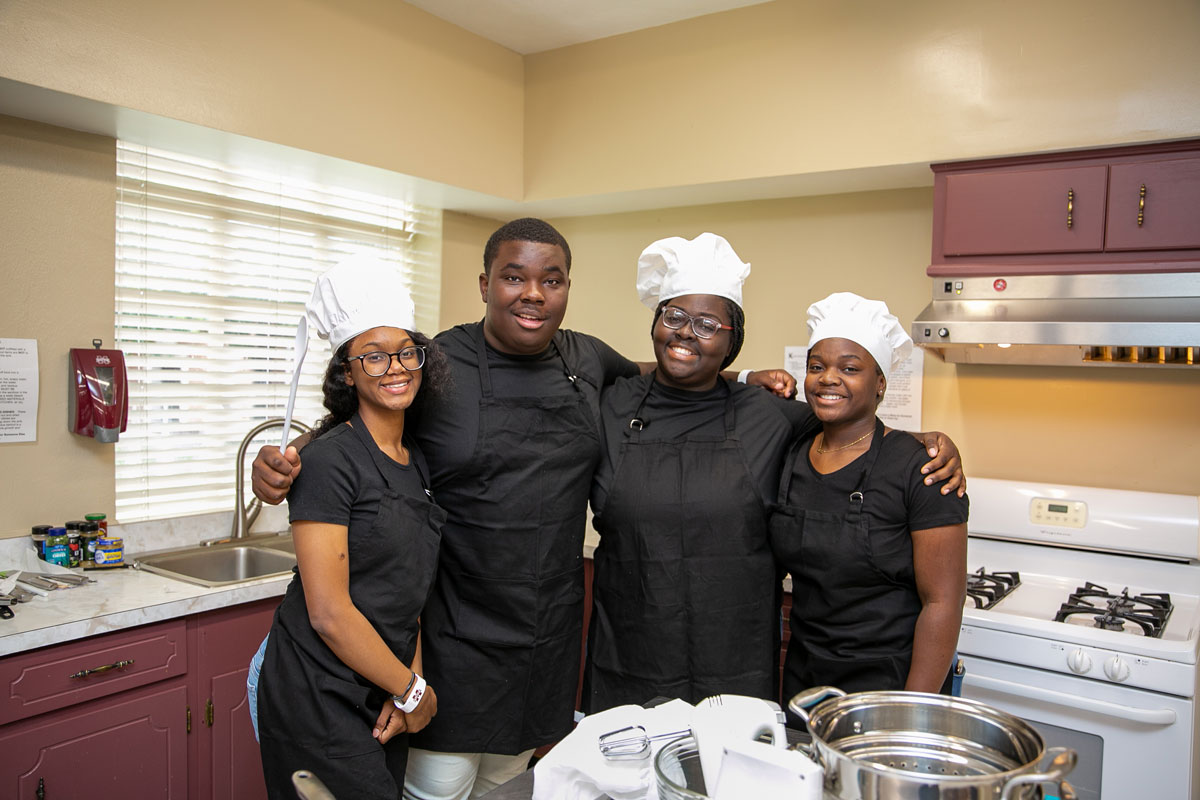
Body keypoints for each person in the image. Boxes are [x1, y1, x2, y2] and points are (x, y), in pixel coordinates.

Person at [250, 219, 799, 800]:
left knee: (512, 789)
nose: (533, 293)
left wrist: (742, 377)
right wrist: (287, 460)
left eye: (552, 279)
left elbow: (658, 371)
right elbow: (366, 420)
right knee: (438, 788)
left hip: (545, 636)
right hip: (451, 635)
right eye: (514, 277)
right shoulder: (436, 364)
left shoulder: (587, 359)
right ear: (485, 284)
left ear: (566, 288)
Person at [585, 236, 965, 713]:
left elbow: (854, 424)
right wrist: (742, 373)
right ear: (656, 322)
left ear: (730, 340)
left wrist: (925, 440)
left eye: (707, 325)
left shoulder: (769, 415)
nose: (686, 333)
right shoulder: (609, 404)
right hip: (628, 654)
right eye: (673, 317)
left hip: (735, 664)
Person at [256, 255, 449, 800]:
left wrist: (404, 686)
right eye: (374, 357)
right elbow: (329, 613)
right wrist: (414, 691)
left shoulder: (415, 460)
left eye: (406, 352)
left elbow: (410, 590)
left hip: (381, 685)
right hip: (315, 694)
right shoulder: (328, 461)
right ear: (346, 371)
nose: (396, 367)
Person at [770, 292, 968, 714]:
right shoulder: (792, 449)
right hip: (805, 680)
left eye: (850, 368)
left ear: (880, 383)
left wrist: (911, 711)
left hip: (890, 685)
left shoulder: (922, 469)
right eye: (816, 366)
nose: (828, 378)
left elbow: (943, 603)